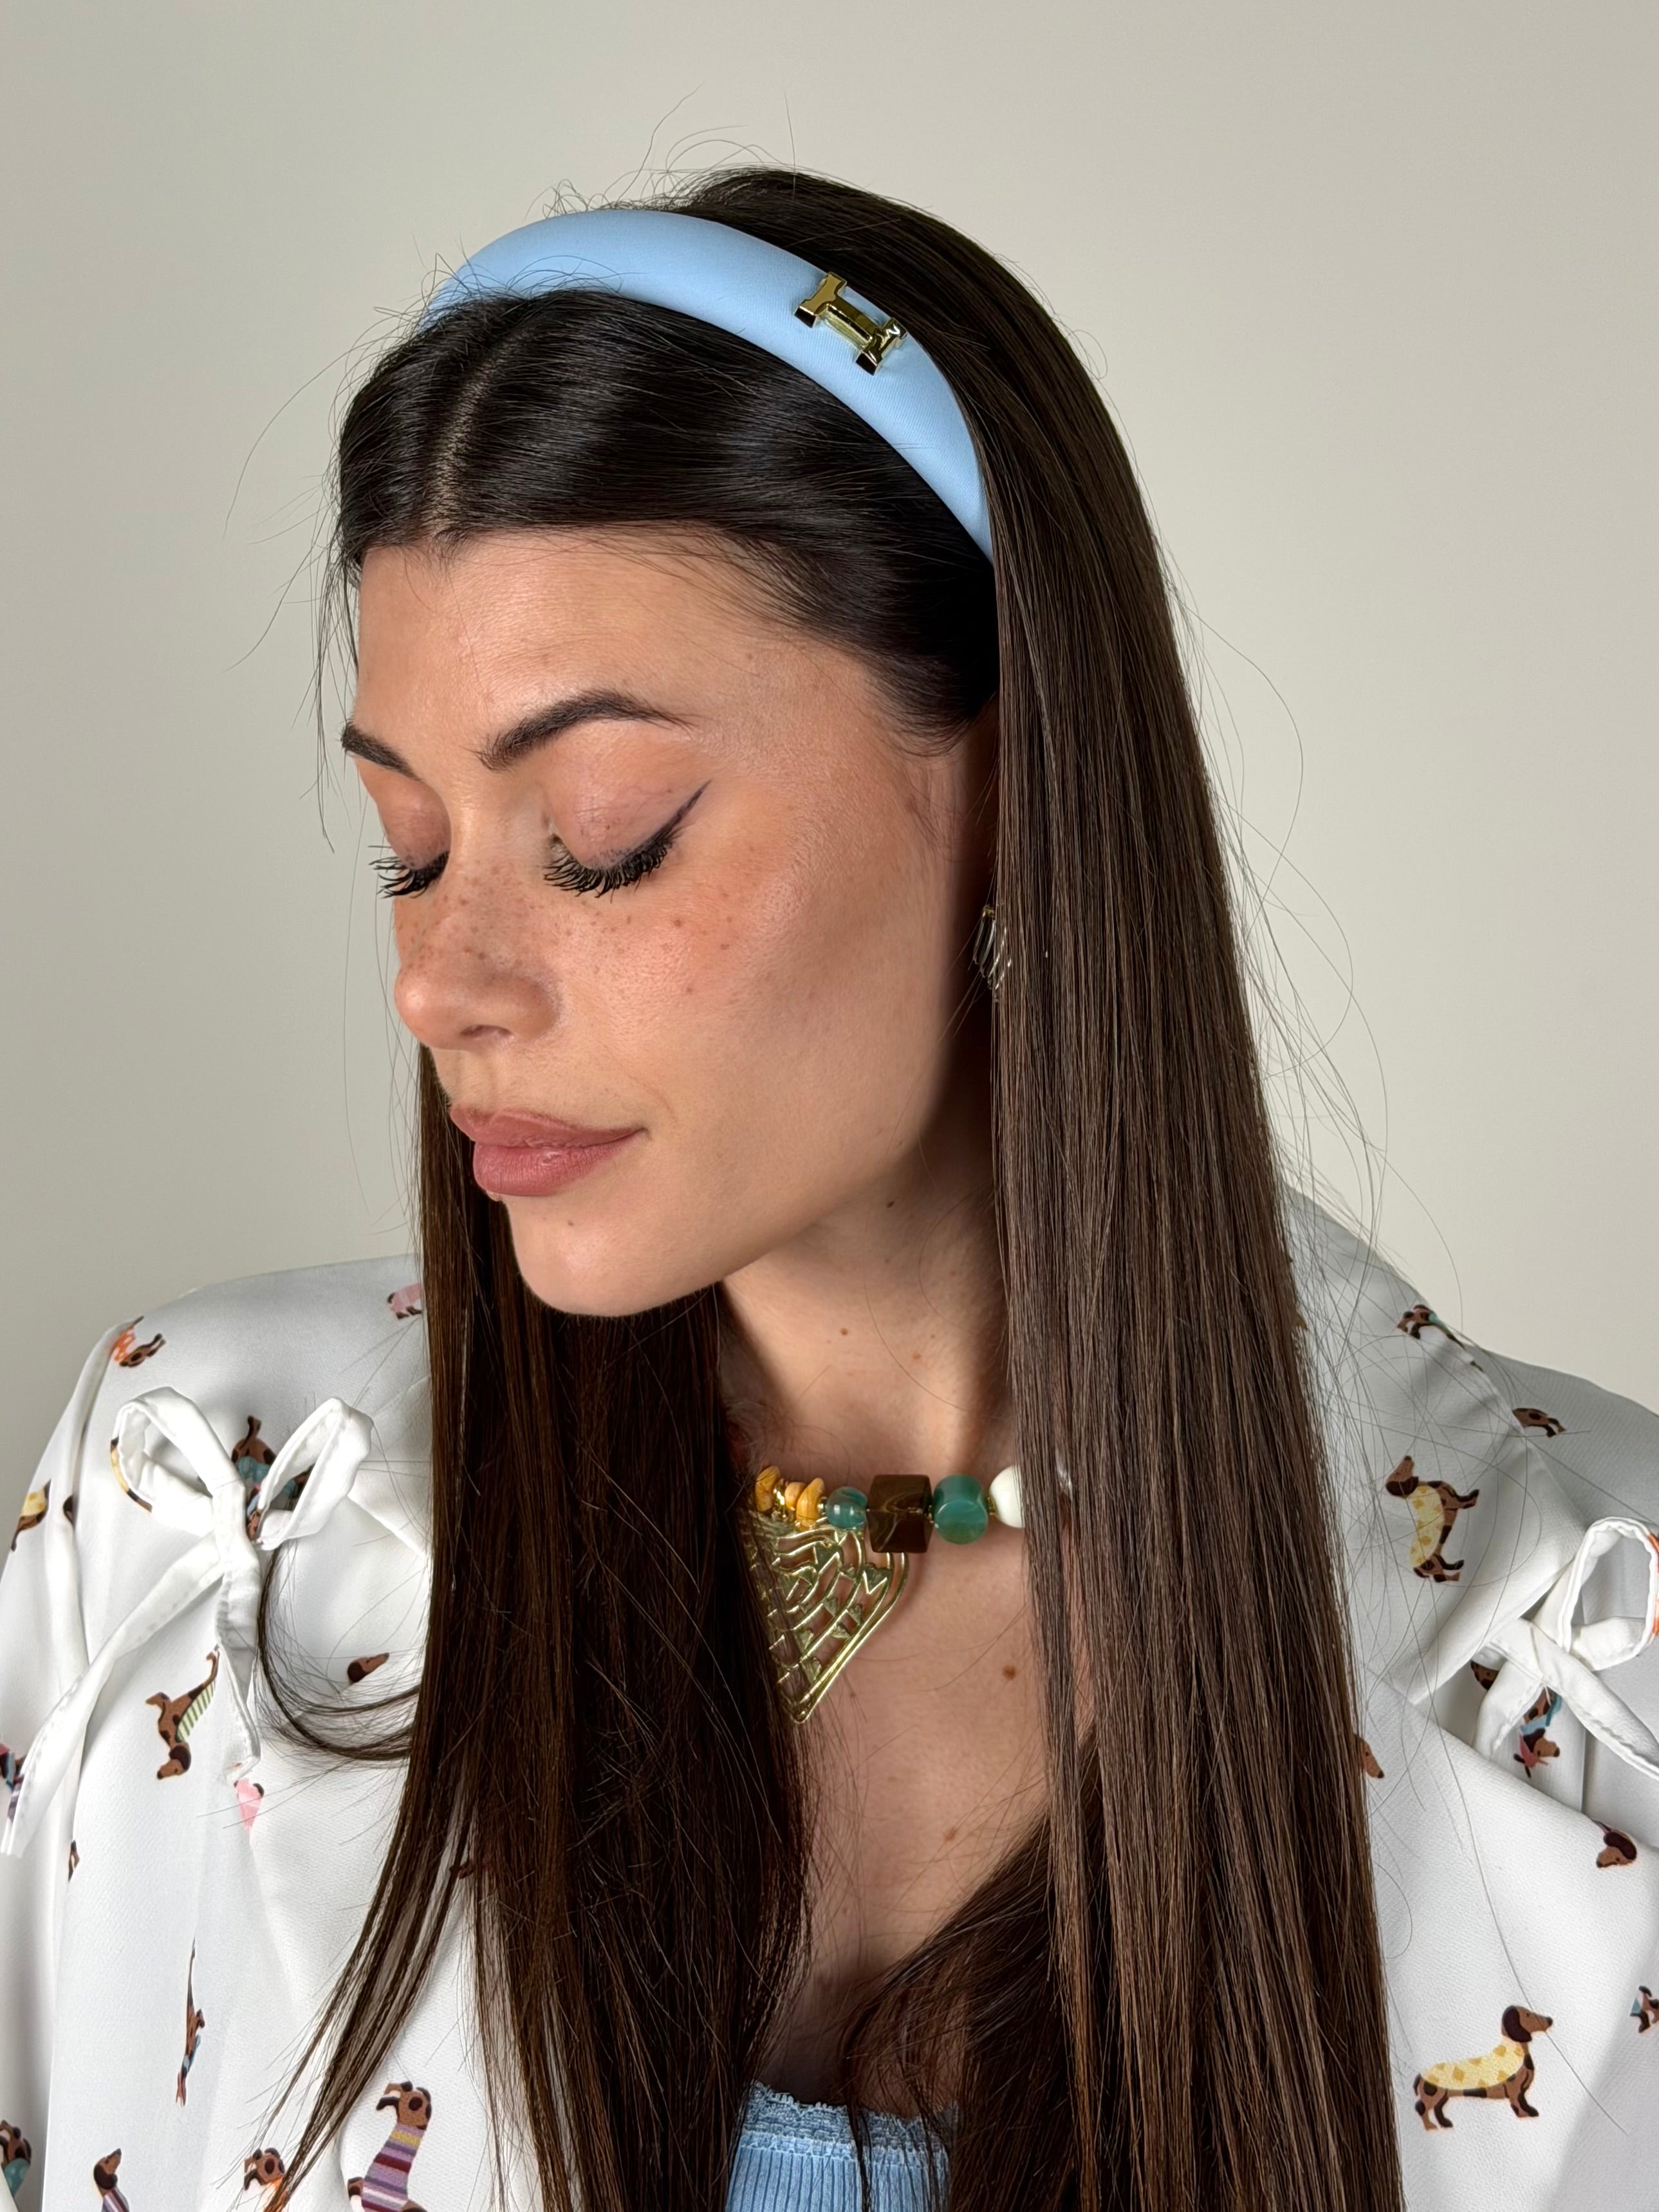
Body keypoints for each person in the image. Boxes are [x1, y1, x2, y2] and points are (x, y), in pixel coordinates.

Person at [1, 166, 1656, 2212]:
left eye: (603, 837)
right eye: (406, 848)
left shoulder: (1605, 1650)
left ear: (1014, 793)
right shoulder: (191, 1516)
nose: (440, 982)